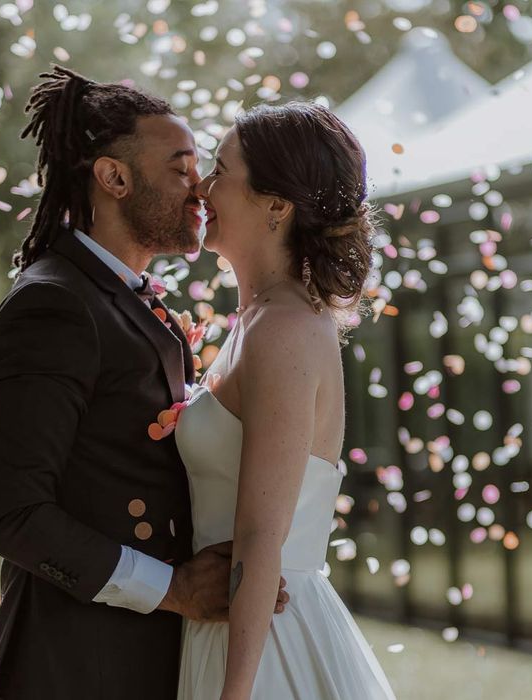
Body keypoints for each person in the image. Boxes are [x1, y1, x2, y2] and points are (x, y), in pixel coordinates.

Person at [0, 67, 288, 700]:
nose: (200, 188)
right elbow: (14, 515)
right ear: (114, 178)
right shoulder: (53, 305)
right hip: (75, 663)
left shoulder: (130, 302)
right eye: (180, 168)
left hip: (151, 654)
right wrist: (171, 589)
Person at [175, 101, 397, 699]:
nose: (202, 185)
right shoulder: (254, 322)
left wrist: (235, 690)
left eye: (221, 170)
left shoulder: (286, 332)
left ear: (277, 204)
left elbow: (258, 539)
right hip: (227, 628)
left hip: (266, 643)